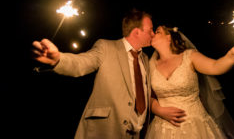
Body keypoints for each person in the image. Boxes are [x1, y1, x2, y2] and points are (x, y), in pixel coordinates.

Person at [32, 9, 155, 139]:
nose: (153, 34)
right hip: (104, 131)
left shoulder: (146, 59)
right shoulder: (106, 47)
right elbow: (81, 62)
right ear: (136, 32)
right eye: (150, 30)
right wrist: (58, 59)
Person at [145, 25, 234, 139]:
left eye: (157, 31)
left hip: (196, 127)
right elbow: (145, 95)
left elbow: (215, 66)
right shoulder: (149, 64)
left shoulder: (190, 56)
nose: (152, 34)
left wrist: (231, 56)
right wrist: (159, 110)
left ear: (169, 37)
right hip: (162, 130)